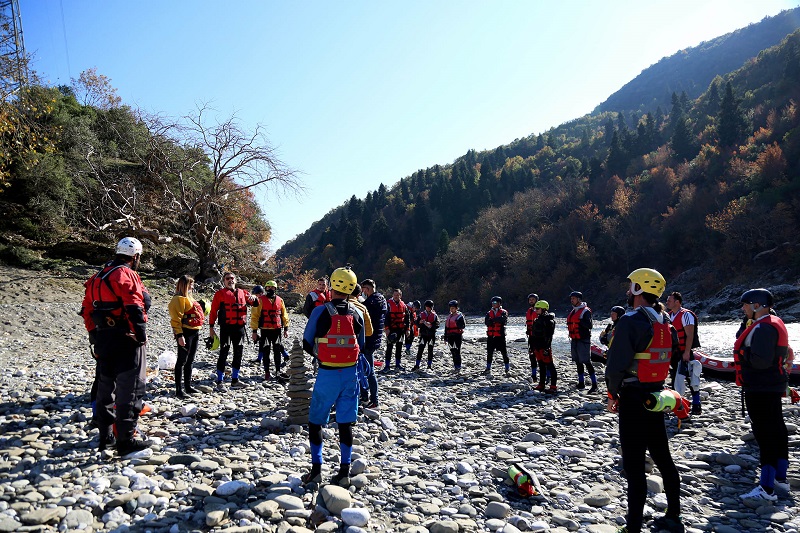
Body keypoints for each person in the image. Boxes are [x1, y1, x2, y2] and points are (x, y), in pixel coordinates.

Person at [605, 268, 682, 533]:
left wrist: (612, 394)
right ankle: (674, 515)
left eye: (631, 286)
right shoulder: (665, 320)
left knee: (634, 465)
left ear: (639, 290)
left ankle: (633, 527)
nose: (628, 291)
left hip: (633, 398)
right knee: (662, 456)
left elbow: (615, 366)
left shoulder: (630, 321)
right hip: (657, 396)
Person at [81, 237, 151, 456]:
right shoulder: (126, 274)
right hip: (125, 338)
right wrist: (140, 335)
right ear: (136, 256)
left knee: (105, 387)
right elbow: (134, 307)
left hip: (103, 339)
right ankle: (126, 439)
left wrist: (94, 336)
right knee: (130, 388)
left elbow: (86, 311)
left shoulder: (96, 277)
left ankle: (106, 437)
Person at [302, 266, 365, 486]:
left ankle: (316, 470)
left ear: (332, 286)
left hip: (327, 373)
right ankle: (344, 473)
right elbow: (362, 345)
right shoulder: (357, 313)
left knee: (315, 422)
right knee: (345, 424)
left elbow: (307, 343)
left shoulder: (321, 311)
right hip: (350, 375)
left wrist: (321, 354)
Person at [734, 288, 790, 502]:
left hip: (761, 387)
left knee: (765, 433)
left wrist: (743, 354)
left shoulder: (764, 328)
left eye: (745, 304)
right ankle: (780, 478)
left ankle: (766, 488)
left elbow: (760, 361)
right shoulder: (771, 322)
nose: (743, 308)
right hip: (772, 385)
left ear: (757, 305)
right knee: (777, 429)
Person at [209, 272, 257, 391]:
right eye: (227, 279)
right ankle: (219, 380)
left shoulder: (243, 293)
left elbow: (254, 303)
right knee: (224, 352)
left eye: (232, 278)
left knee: (238, 352)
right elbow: (213, 311)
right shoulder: (219, 294)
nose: (230, 280)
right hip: (226, 327)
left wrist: (255, 298)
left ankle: (235, 380)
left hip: (239, 328)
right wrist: (211, 327)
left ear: (235, 280)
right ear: (223, 281)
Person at [666, 292, 702, 415]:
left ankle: (697, 404)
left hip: (684, 352)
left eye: (669, 300)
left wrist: (687, 352)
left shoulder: (686, 315)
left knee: (692, 377)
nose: (667, 302)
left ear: (677, 302)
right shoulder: (669, 316)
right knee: (675, 378)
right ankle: (676, 404)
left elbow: (689, 335)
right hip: (673, 353)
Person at [168, 275, 205, 398]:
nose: (193, 287)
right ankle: (179, 390)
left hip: (195, 332)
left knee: (190, 361)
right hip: (186, 333)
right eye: (191, 284)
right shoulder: (178, 299)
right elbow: (175, 320)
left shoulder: (190, 298)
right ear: (185, 285)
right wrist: (179, 335)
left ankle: (188, 386)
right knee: (181, 361)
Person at [251, 280, 290, 382]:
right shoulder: (260, 300)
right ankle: (267, 372)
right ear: (265, 288)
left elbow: (284, 315)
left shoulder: (280, 300)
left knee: (277, 351)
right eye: (268, 287)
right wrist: (254, 331)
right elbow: (255, 316)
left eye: (272, 288)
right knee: (266, 351)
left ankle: (277, 371)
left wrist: (286, 328)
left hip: (276, 330)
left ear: (275, 289)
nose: (270, 289)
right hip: (265, 330)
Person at [360, 279, 386, 407]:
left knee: (368, 371)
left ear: (367, 288)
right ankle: (368, 396)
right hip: (376, 338)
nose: (362, 291)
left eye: (363, 288)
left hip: (369, 339)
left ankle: (373, 399)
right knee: (368, 369)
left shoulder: (369, 303)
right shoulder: (382, 299)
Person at [567, 291, 597, 392]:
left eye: (573, 298)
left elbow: (590, 325)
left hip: (583, 339)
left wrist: (579, 321)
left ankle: (594, 384)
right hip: (575, 339)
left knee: (586, 362)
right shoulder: (573, 311)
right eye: (571, 298)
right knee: (578, 362)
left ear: (579, 299)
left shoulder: (585, 311)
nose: (572, 300)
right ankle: (581, 382)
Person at [530, 300, 557, 393]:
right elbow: (533, 335)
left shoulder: (549, 321)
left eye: (538, 309)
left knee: (550, 366)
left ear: (544, 309)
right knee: (541, 365)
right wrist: (532, 346)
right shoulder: (537, 319)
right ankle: (541, 384)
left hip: (544, 346)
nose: (536, 310)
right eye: (535, 308)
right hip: (537, 346)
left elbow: (549, 336)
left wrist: (547, 347)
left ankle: (553, 386)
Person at [383, 288, 410, 372]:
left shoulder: (403, 305)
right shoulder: (388, 304)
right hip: (391, 329)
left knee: (399, 347)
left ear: (400, 296)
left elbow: (407, 318)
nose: (396, 296)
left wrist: (407, 329)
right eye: (394, 295)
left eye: (397, 295)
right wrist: (386, 328)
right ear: (392, 295)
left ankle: (398, 365)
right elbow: (385, 317)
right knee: (389, 348)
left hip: (400, 330)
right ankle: (387, 366)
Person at [484, 296, 510, 375]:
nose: (493, 304)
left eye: (495, 303)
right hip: (491, 336)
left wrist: (493, 320)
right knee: (489, 352)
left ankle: (507, 368)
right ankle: (488, 368)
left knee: (504, 352)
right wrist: (496, 320)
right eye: (492, 303)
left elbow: (503, 320)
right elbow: (487, 322)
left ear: (499, 303)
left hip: (500, 336)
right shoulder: (489, 313)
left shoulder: (503, 312)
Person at [413, 300, 439, 371]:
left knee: (430, 350)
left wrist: (431, 325)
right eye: (427, 307)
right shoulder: (421, 315)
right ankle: (417, 365)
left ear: (431, 307)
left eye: (429, 307)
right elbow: (417, 323)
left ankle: (429, 365)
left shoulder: (434, 316)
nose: (428, 308)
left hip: (431, 335)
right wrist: (420, 323)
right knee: (420, 350)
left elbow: (437, 325)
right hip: (423, 335)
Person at [444, 300, 466, 374]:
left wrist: (457, 323)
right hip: (450, 336)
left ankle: (458, 366)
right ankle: (455, 366)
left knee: (457, 351)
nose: (451, 309)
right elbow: (446, 328)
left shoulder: (460, 316)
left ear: (456, 308)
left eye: (453, 308)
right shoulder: (449, 317)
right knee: (452, 351)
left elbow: (463, 326)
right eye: (450, 308)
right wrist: (445, 338)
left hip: (457, 336)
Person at [524, 293, 539, 381]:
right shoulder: (529, 310)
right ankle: (534, 374)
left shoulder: (540, 310)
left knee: (542, 355)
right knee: (532, 355)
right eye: (530, 299)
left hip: (539, 337)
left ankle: (548, 375)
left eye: (533, 299)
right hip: (531, 336)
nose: (531, 301)